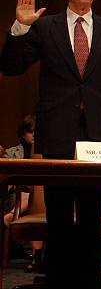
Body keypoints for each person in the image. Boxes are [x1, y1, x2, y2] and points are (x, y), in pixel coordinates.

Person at [0, 0, 101, 289]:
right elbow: (11, 67)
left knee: (90, 216)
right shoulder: (45, 27)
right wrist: (19, 28)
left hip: (98, 136)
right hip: (57, 130)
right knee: (58, 215)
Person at [3, 115, 44, 272]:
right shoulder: (12, 153)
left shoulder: (47, 152)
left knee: (37, 194)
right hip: (18, 194)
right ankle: (37, 255)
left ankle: (36, 255)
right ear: (22, 134)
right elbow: (7, 182)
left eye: (37, 132)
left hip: (40, 195)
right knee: (29, 190)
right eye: (30, 132)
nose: (34, 135)